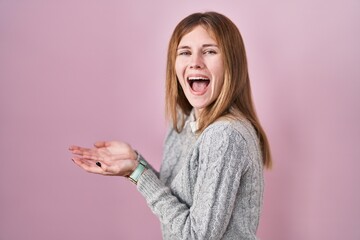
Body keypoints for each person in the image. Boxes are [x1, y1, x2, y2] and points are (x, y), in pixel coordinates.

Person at [69, 11, 272, 240]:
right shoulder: (185, 122)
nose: (195, 63)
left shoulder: (225, 136)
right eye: (185, 53)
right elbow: (175, 204)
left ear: (231, 64)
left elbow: (196, 236)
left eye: (210, 51)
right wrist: (135, 164)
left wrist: (138, 173)